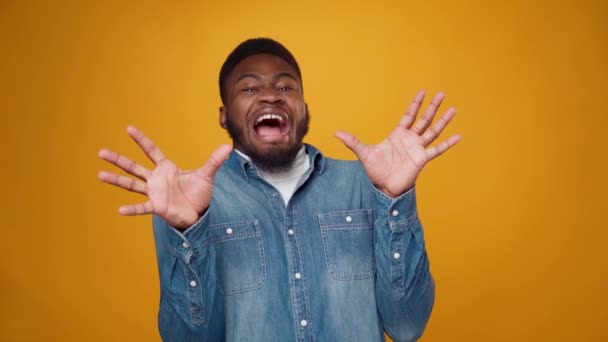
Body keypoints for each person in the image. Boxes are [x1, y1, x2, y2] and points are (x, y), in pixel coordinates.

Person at [98, 38, 460, 342]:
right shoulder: (186, 204)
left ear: (304, 109)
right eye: (250, 88)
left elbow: (407, 325)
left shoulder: (365, 186)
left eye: (286, 87)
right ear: (224, 115)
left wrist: (396, 199)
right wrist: (187, 232)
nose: (271, 96)